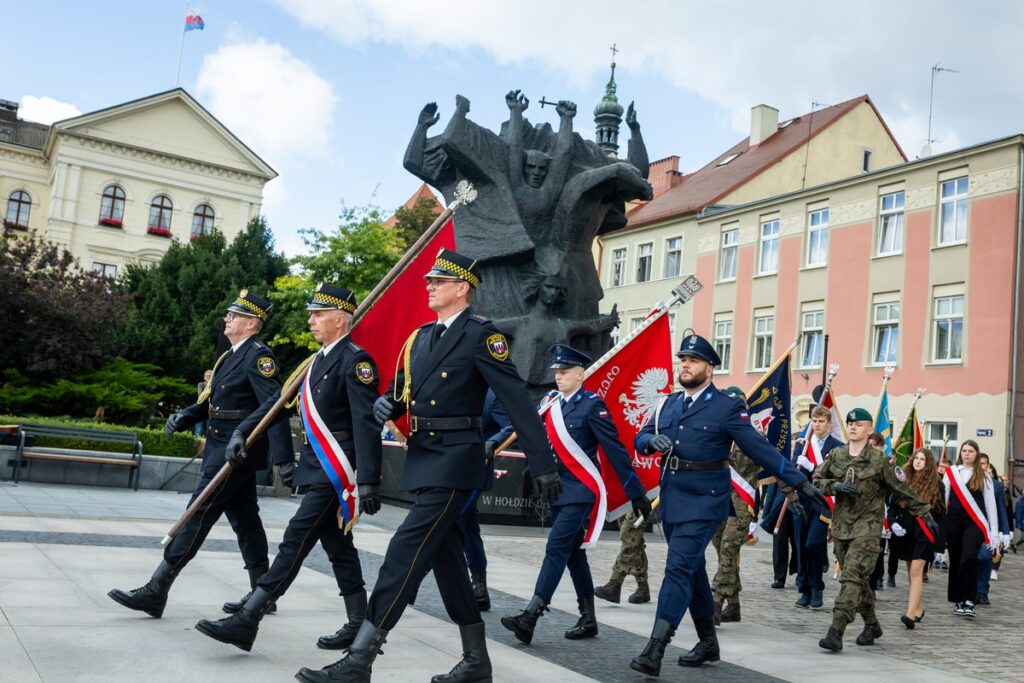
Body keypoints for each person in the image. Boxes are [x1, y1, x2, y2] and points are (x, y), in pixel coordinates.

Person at [295, 248, 561, 683]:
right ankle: (476, 661)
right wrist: (389, 402)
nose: (430, 286)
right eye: (429, 281)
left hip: (457, 461)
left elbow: (517, 400)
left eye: (439, 282)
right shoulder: (420, 337)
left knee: (403, 552)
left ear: (462, 289)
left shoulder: (481, 336)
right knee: (447, 560)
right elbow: (404, 390)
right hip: (425, 458)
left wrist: (543, 463)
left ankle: (360, 659)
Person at [191, 283, 381, 652]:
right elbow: (277, 406)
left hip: (337, 470)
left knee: (295, 539)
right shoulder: (316, 361)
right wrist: (243, 432)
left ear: (340, 320)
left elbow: (365, 424)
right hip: (317, 465)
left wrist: (369, 479)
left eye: (318, 314)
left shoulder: (356, 362)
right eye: (311, 313)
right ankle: (359, 621)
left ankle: (249, 618)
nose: (310, 320)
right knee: (338, 547)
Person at [628, 333, 827, 677]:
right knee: (693, 571)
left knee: (676, 568)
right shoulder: (668, 404)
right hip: (673, 497)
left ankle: (655, 647)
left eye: (692, 361)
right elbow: (641, 434)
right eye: (683, 360)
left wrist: (800, 481)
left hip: (705, 501)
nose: (685, 365)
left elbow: (760, 448)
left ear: (710, 368)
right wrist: (649, 441)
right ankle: (708, 642)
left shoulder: (726, 406)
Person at [109, 290, 293, 618]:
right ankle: (263, 592)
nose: (227, 318)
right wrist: (188, 415)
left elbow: (274, 404)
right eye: (229, 314)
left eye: (234, 316)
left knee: (198, 514)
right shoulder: (230, 355)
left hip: (235, 451)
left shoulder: (258, 356)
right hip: (222, 447)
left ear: (252, 323)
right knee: (246, 520)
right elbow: (214, 402)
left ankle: (157, 589)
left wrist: (281, 457)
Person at [501, 344, 651, 644]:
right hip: (556, 488)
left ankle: (531, 614)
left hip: (581, 489)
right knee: (572, 554)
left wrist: (635, 493)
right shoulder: (551, 401)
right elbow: (526, 428)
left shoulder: (592, 405)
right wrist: (494, 443)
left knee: (555, 548)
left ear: (581, 373)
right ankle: (588, 619)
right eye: (556, 371)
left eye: (565, 371)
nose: (558, 376)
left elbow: (615, 451)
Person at [813, 409, 937, 652]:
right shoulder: (836, 455)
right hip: (841, 528)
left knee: (849, 578)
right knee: (858, 582)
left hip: (867, 530)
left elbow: (903, 490)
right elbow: (816, 480)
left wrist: (924, 512)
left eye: (859, 424)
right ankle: (872, 625)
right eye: (850, 423)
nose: (853, 427)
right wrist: (836, 486)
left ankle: (836, 631)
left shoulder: (881, 461)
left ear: (870, 430)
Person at [708, 386, 761, 623]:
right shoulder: (715, 433)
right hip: (717, 500)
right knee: (723, 553)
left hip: (740, 505)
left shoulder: (751, 436)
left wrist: (792, 494)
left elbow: (773, 462)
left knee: (729, 549)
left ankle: (715, 603)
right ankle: (734, 604)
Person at [459, 388, 513, 611]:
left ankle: (411, 582)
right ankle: (479, 586)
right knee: (467, 526)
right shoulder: (457, 384)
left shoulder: (494, 394)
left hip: (474, 470)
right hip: (445, 467)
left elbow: (510, 425)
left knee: (445, 523)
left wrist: (492, 443)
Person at [793, 405, 842, 610]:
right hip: (801, 502)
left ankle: (816, 587)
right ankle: (804, 588)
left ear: (829, 424)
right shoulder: (803, 445)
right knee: (800, 545)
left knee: (813, 544)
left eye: (821, 421)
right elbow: (791, 469)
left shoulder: (837, 447)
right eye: (814, 421)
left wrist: (812, 467)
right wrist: (797, 463)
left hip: (822, 503)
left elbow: (836, 475)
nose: (817, 424)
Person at [945, 440, 1000, 618]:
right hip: (954, 522)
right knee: (955, 559)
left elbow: (991, 505)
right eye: (964, 451)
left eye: (970, 451)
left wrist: (994, 532)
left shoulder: (983, 476)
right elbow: (944, 499)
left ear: (976, 454)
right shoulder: (951, 473)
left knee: (969, 558)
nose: (967, 454)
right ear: (960, 453)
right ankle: (958, 599)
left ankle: (969, 599)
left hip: (974, 523)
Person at [890, 448, 945, 628]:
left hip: (925, 533)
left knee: (916, 571)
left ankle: (910, 614)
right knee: (910, 572)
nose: (918, 461)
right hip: (906, 531)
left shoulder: (937, 484)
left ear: (928, 463)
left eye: (922, 459)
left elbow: (941, 516)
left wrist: (939, 546)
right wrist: (892, 523)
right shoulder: (903, 479)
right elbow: (893, 505)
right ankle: (919, 608)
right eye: (916, 458)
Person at [974, 455, 1011, 605]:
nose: (981, 466)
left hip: (989, 529)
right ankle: (973, 590)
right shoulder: (968, 482)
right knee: (972, 559)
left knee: (985, 558)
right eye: (979, 463)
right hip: (971, 527)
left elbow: (1001, 508)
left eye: (983, 464)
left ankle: (983, 590)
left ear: (988, 465)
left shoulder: (996, 485)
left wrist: (1006, 531)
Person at [194, 369, 213, 436]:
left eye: (210, 376)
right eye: (207, 376)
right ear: (204, 377)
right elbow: (200, 395)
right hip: (201, 408)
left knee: (210, 429)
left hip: (210, 410)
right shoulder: (201, 384)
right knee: (198, 429)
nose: (208, 377)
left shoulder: (214, 385)